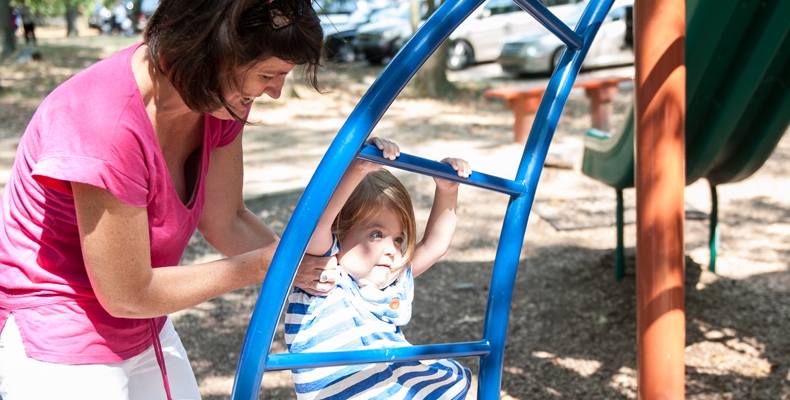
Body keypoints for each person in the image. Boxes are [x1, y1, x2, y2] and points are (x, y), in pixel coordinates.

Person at [0, 0, 336, 399]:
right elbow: (128, 293)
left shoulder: (215, 102)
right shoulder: (103, 122)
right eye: (267, 74)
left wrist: (311, 269)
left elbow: (227, 219)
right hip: (61, 331)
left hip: (144, 320)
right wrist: (266, 265)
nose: (276, 92)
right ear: (212, 52)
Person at [285, 138, 473, 400]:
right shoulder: (323, 276)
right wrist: (357, 169)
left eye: (398, 238)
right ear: (339, 231)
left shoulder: (389, 280)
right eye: (376, 234)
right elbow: (318, 226)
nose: (392, 250)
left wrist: (448, 189)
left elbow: (434, 245)